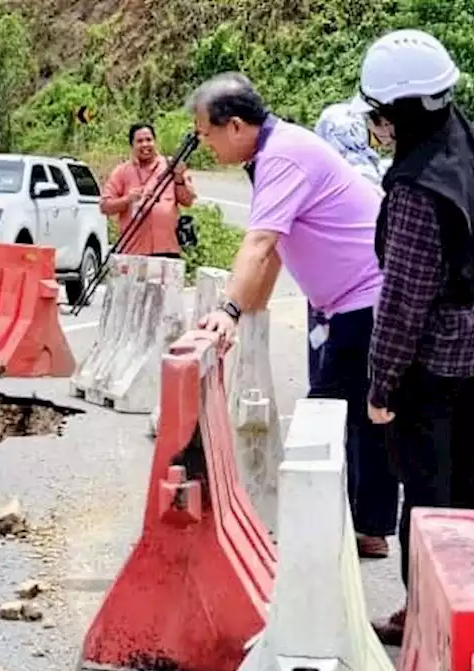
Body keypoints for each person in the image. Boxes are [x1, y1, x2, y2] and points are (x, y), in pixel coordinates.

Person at [187, 72, 400, 560]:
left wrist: (227, 309)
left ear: (235, 126)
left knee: (324, 417)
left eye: (206, 133)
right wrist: (246, 313)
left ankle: (328, 531)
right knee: (357, 418)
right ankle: (363, 526)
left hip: (365, 301)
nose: (205, 145)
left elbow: (259, 241)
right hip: (351, 303)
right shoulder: (274, 152)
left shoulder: (282, 155)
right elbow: (278, 245)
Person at [351, 29, 474, 646]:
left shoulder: (417, 185)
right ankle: (471, 602)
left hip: (438, 359)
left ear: (401, 111)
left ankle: (424, 616)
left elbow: (403, 301)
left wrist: (381, 383)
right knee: (467, 481)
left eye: (380, 114)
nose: (379, 126)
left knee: (425, 494)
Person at [307, 95, 393, 389]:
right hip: (380, 292)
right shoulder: (383, 171)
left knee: (328, 384)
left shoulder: (331, 181)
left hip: (341, 295)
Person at [100, 123, 198, 257]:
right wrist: (127, 199)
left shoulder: (171, 166)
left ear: (155, 142)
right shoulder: (121, 171)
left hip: (167, 250)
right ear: (132, 145)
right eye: (140, 141)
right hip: (133, 251)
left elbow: (188, 201)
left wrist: (179, 179)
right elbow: (105, 206)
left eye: (149, 140)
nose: (145, 145)